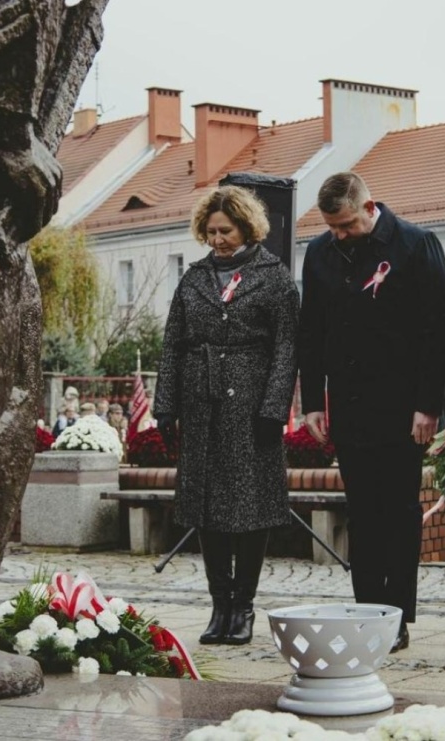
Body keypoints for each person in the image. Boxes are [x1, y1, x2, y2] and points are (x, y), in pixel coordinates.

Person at [298, 172, 445, 653]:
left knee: (399, 512)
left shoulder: (415, 245)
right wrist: (310, 402)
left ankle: (397, 616)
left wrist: (429, 405)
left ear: (369, 207)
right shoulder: (321, 252)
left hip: (403, 406)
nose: (339, 235)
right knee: (362, 513)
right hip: (349, 403)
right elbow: (312, 331)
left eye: (346, 226)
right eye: (332, 227)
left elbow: (436, 334)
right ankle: (367, 612)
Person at [154, 185, 299, 646]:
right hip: (201, 404)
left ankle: (244, 607)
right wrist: (165, 405)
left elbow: (286, 346)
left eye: (226, 231)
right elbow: (172, 342)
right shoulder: (194, 278)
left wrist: (274, 407)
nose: (218, 240)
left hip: (252, 404)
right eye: (211, 231)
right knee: (206, 509)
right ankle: (219, 605)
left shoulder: (273, 276)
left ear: (246, 227)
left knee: (249, 509)